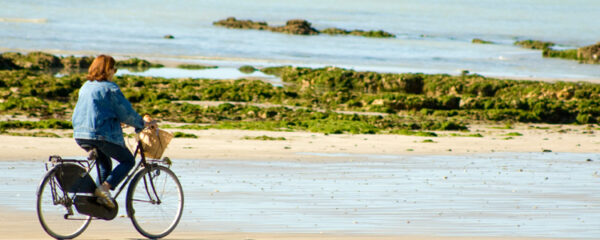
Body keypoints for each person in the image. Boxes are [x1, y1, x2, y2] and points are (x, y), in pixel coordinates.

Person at [72, 55, 152, 208]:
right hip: (100, 135)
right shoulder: (110, 88)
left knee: (104, 164)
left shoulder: (86, 86)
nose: (115, 72)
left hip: (81, 134)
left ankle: (94, 200)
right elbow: (126, 113)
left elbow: (96, 110)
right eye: (114, 69)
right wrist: (142, 123)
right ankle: (104, 189)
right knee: (128, 161)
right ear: (107, 70)